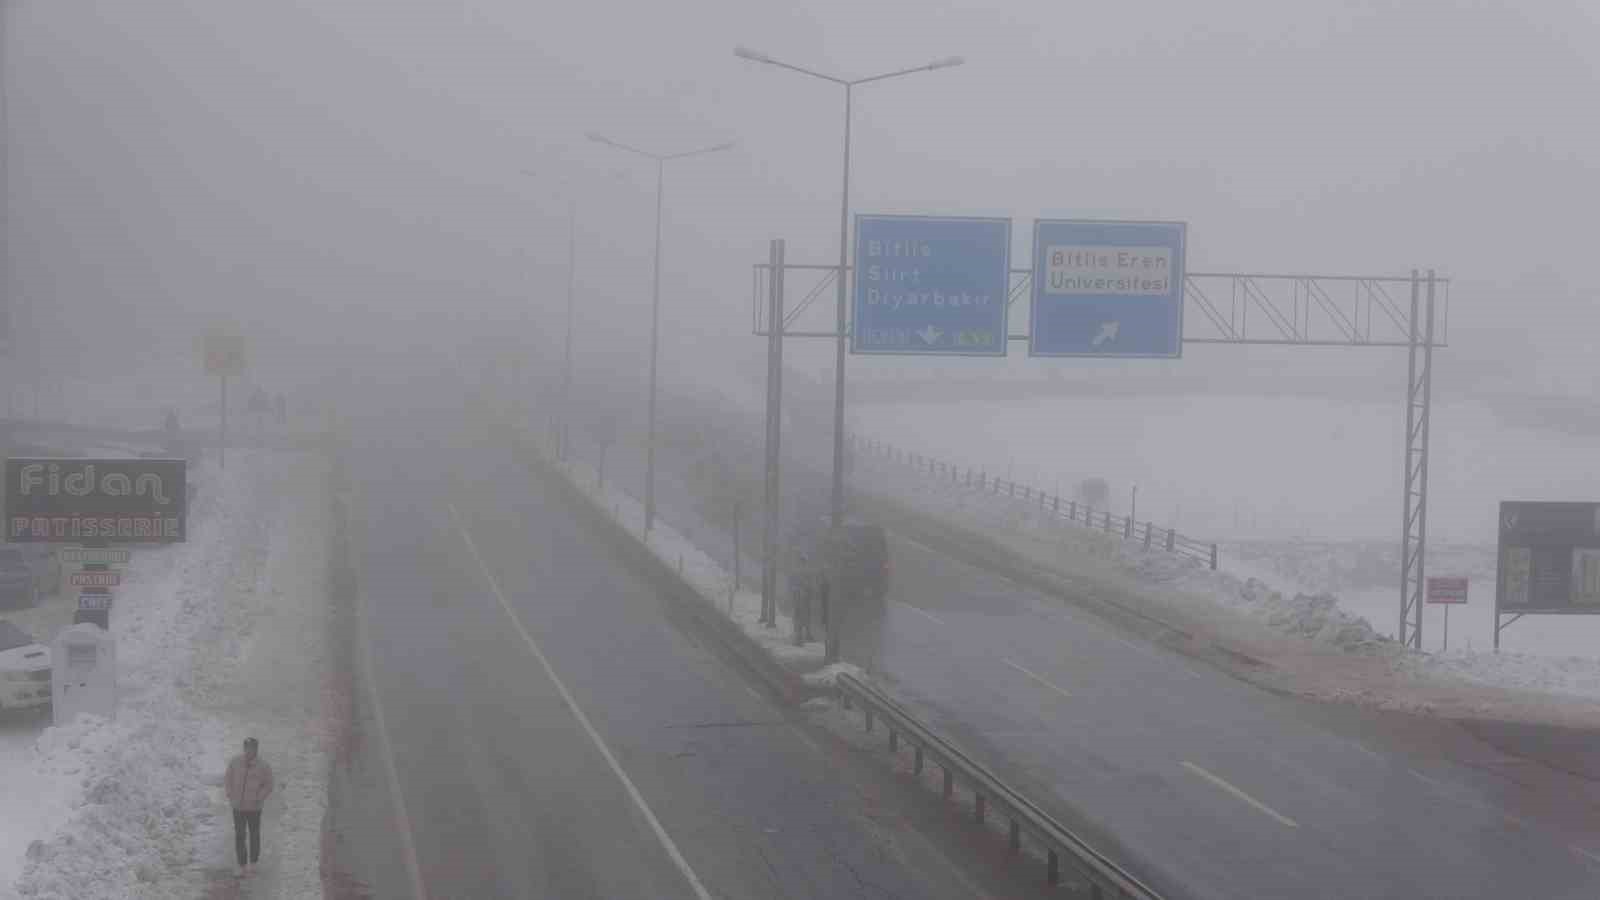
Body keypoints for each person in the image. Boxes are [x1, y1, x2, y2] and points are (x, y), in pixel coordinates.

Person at [224, 737, 274, 876]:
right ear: (244, 748)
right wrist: (230, 794)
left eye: (252, 748)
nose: (249, 751)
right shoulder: (235, 762)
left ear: (256, 749)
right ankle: (241, 865)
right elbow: (228, 778)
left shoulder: (263, 766)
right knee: (240, 835)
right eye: (247, 748)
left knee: (254, 835)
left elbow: (269, 784)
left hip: (254, 808)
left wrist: (259, 797)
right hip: (238, 807)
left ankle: (253, 863)